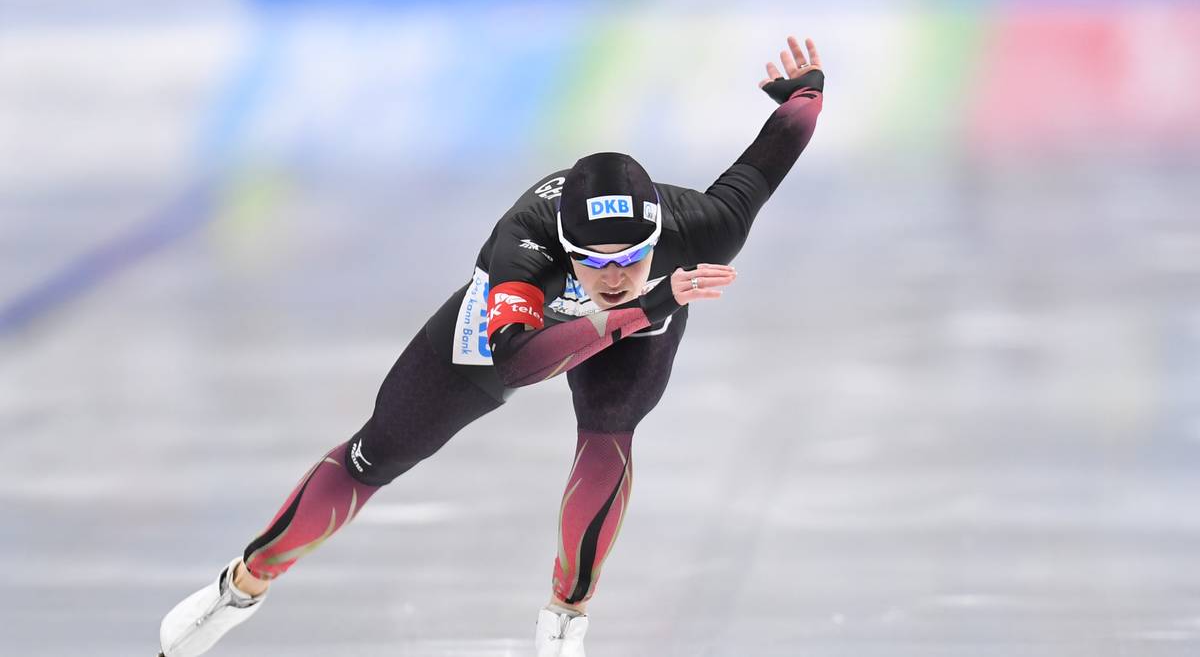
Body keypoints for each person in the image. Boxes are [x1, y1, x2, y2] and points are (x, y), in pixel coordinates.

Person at [158, 35, 825, 657]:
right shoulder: (525, 245)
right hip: (528, 326)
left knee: (608, 431)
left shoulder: (703, 229)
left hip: (646, 314)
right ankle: (244, 582)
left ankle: (567, 613)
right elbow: (517, 360)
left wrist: (803, 92)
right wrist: (652, 299)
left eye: (634, 257)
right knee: (379, 449)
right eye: (597, 262)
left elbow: (777, 148)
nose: (616, 277)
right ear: (568, 249)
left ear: (657, 240)